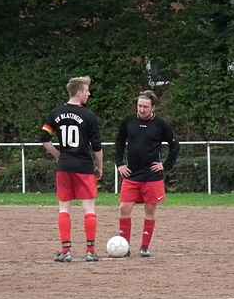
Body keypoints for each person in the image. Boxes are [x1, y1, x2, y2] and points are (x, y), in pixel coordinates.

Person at [41, 76, 103, 262]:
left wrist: (60, 155)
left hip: (64, 167)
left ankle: (66, 251)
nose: (89, 93)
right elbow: (97, 147)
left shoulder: (56, 113)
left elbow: (44, 139)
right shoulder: (89, 116)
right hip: (84, 167)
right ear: (78, 92)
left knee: (64, 208)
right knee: (89, 208)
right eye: (86, 90)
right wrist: (99, 167)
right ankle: (90, 251)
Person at [115, 90, 179, 257]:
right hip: (132, 175)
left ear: (153, 107)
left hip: (152, 176)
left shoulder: (161, 124)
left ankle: (144, 247)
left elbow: (174, 145)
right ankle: (124, 247)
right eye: (139, 106)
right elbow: (119, 142)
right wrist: (120, 163)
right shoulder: (128, 122)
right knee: (124, 208)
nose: (141, 109)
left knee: (150, 211)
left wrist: (165, 165)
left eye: (145, 106)